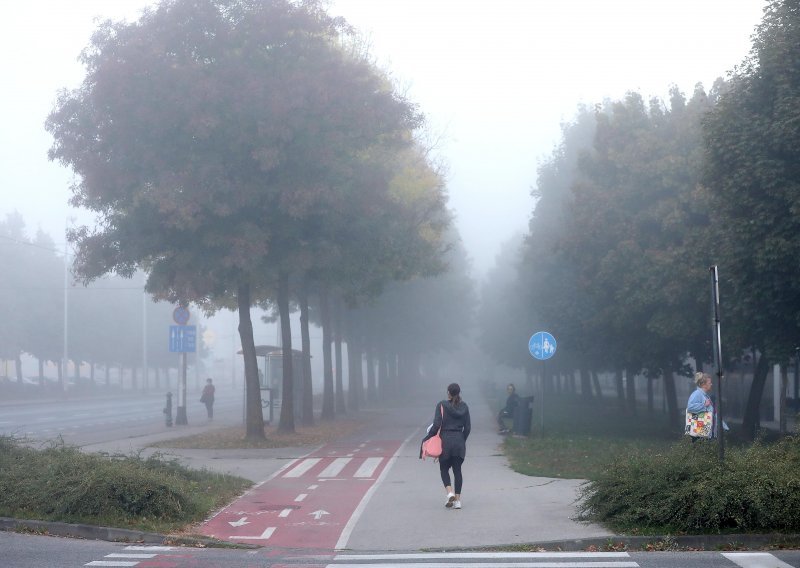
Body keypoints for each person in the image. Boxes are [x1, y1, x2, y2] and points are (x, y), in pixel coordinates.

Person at [420, 382, 471, 509]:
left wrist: (428, 438)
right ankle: (458, 501)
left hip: (445, 441)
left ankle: (449, 493)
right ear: (459, 393)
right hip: (459, 441)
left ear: (448, 392)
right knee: (457, 470)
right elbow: (468, 427)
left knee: (444, 469)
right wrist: (461, 439)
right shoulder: (464, 406)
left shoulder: (441, 405)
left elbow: (437, 424)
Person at [686, 372, 713, 441]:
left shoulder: (704, 395)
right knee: (699, 448)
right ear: (704, 384)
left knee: (703, 448)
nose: (711, 384)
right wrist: (704, 405)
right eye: (709, 382)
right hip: (698, 431)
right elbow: (690, 407)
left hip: (702, 430)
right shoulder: (697, 394)